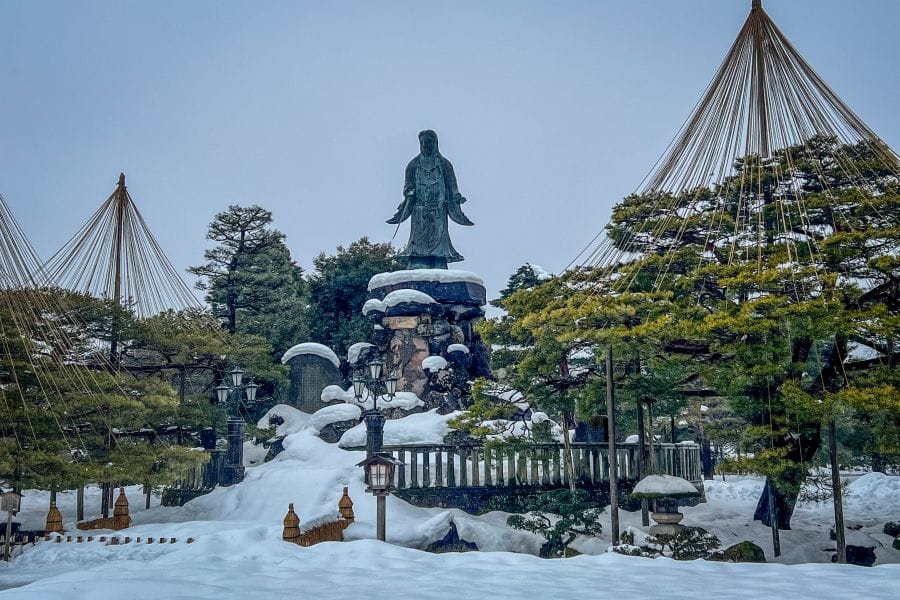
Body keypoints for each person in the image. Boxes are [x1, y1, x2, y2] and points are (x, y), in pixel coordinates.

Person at [387, 130, 474, 269]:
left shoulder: (444, 164)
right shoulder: (413, 165)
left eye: (428, 142)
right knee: (419, 238)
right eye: (422, 143)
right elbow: (408, 185)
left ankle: (438, 261)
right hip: (419, 209)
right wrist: (409, 192)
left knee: (438, 238)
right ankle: (417, 261)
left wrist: (457, 197)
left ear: (435, 144)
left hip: (439, 209)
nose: (425, 145)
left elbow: (452, 187)